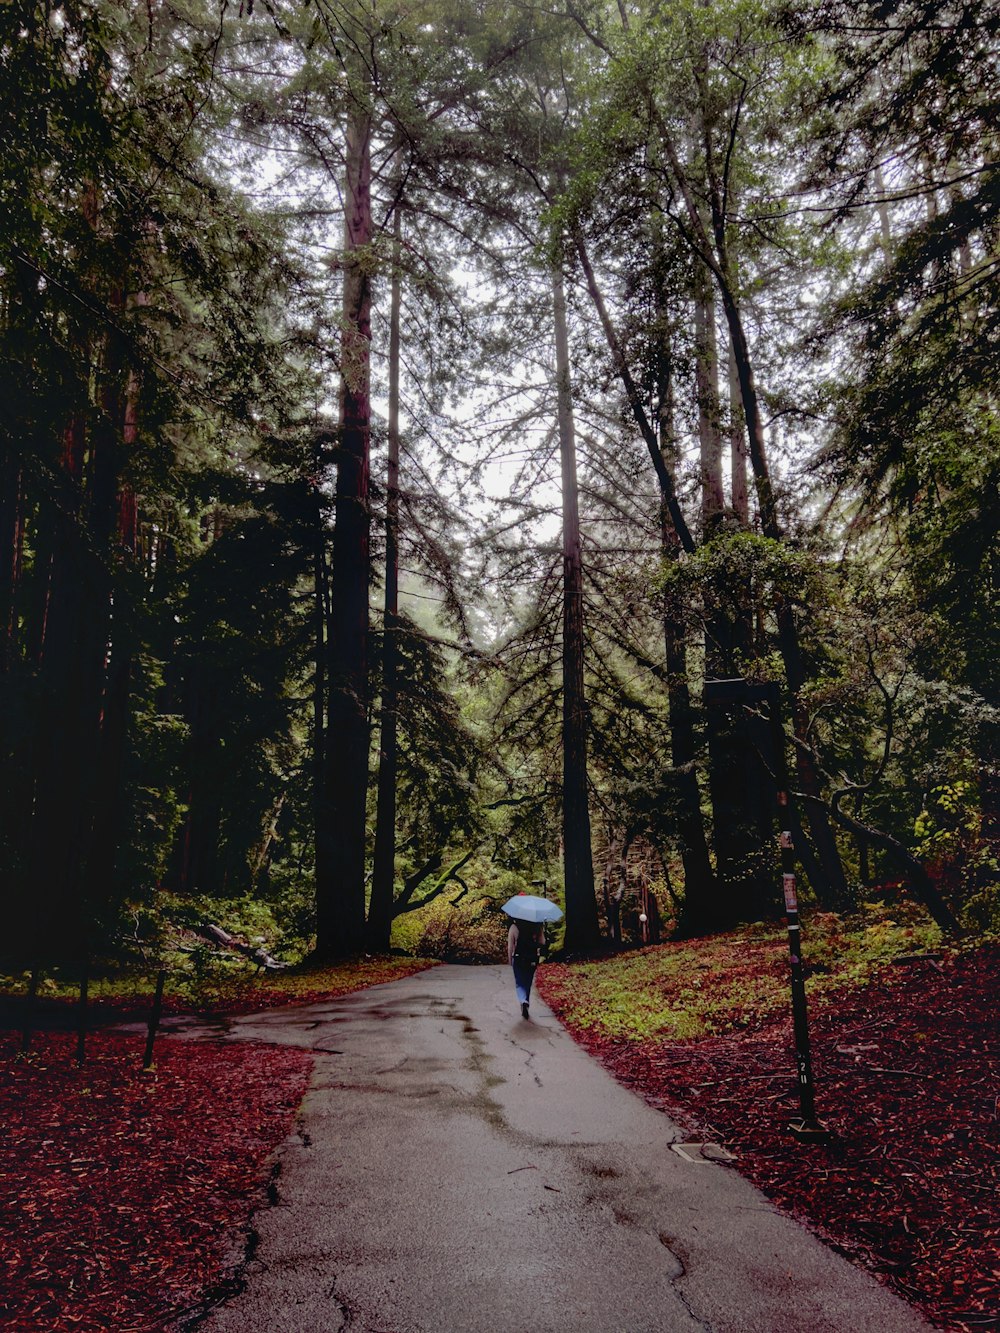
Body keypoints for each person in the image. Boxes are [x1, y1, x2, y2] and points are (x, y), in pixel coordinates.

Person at [508, 918, 545, 1019]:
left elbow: (510, 946)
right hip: (532, 958)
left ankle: (523, 1001)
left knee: (520, 982)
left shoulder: (514, 927)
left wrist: (510, 960)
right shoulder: (537, 926)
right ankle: (526, 1002)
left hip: (519, 957)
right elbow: (542, 942)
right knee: (528, 982)